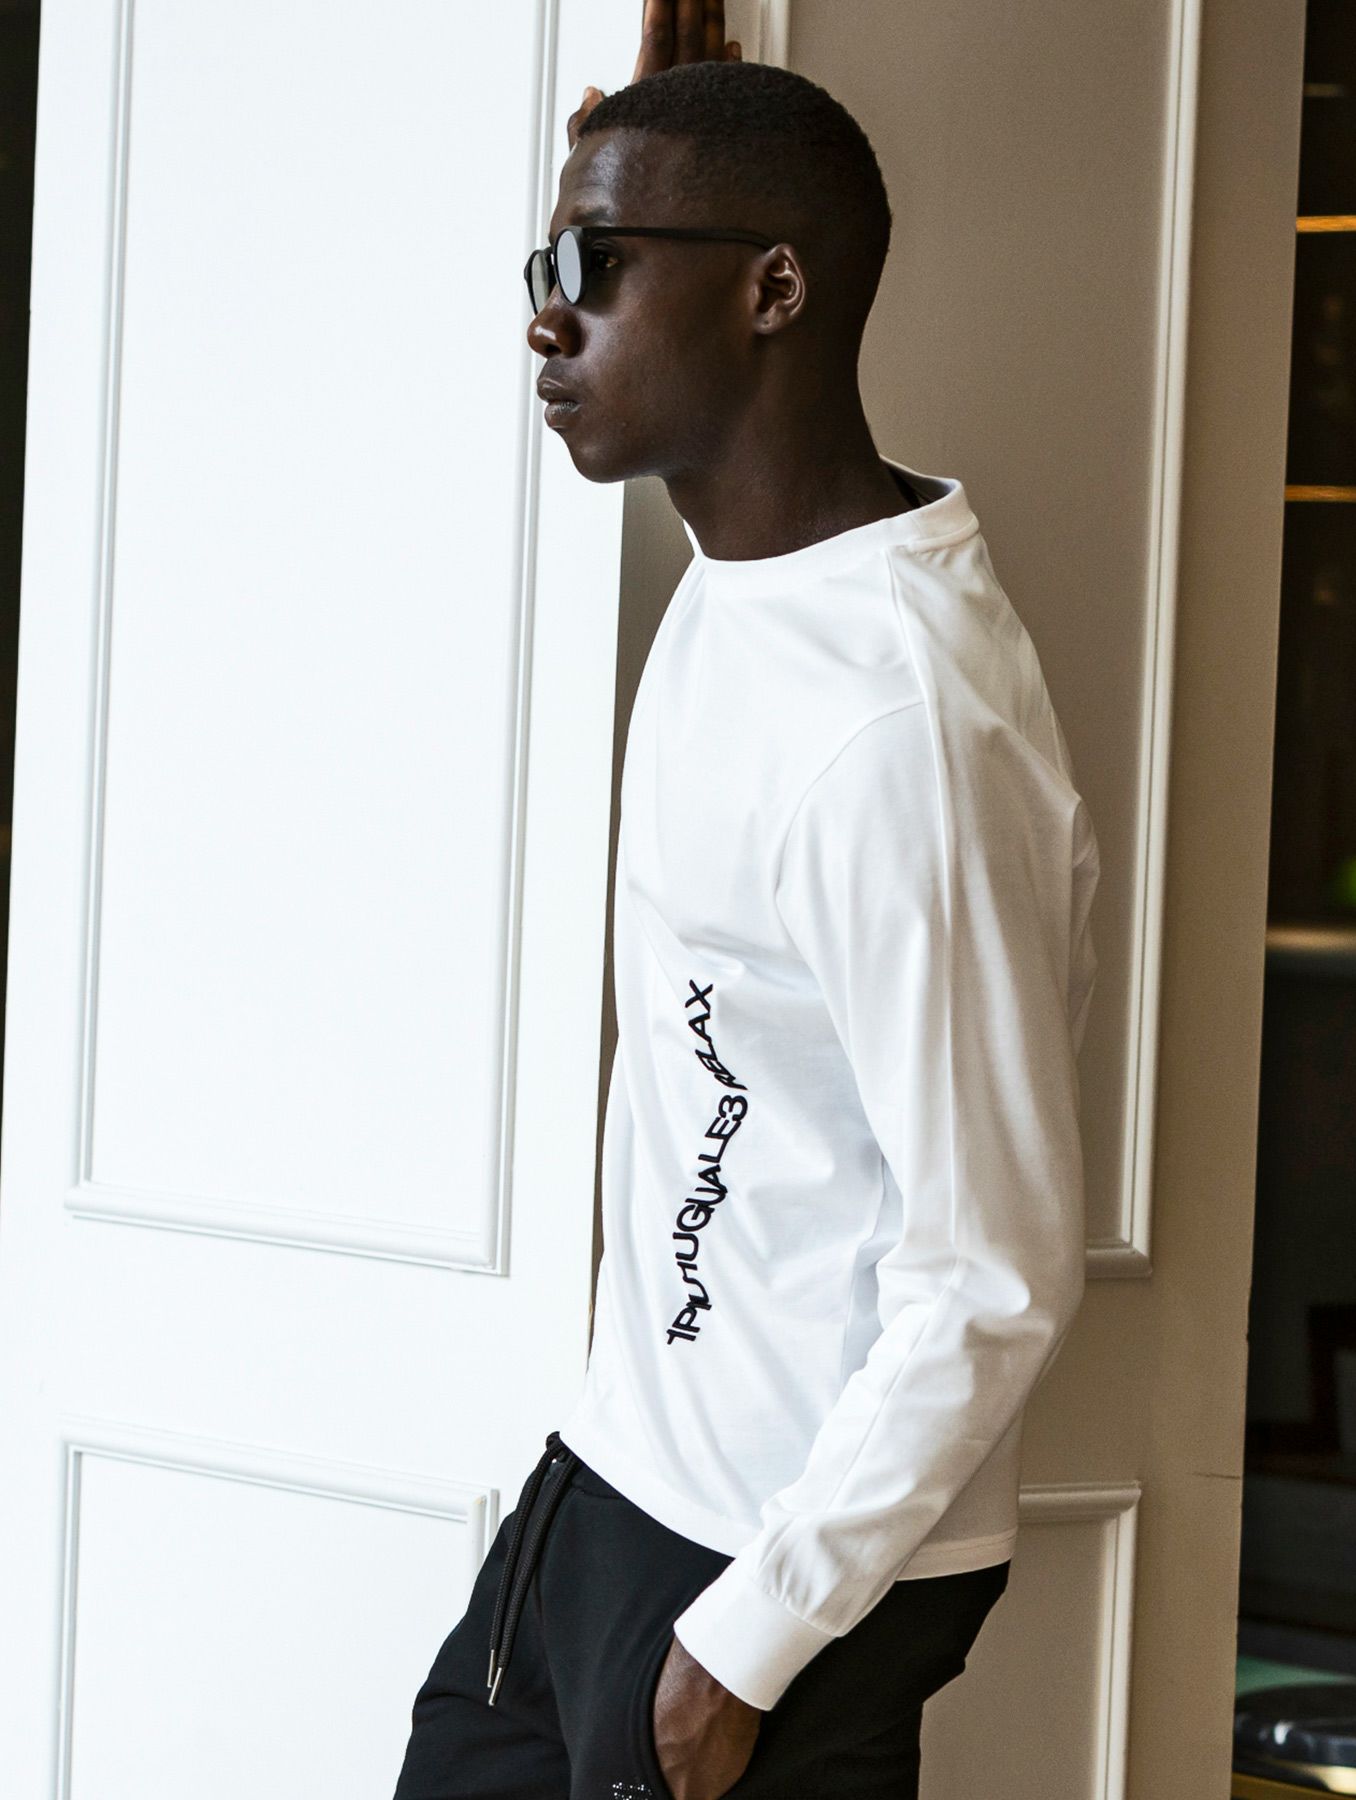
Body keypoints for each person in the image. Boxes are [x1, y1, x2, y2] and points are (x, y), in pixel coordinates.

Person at [393, 5, 1100, 1797]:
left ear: (775, 288)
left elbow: (995, 1270)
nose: (547, 318)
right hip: (613, 1481)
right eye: (546, 266)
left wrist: (754, 1636)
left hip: (766, 1567)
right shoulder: (743, 586)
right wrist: (631, 175)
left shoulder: (899, 732)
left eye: (596, 268)